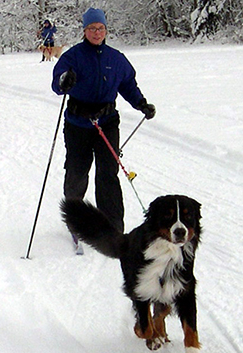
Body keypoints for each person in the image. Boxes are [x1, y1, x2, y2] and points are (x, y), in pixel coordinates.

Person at [51, 8, 156, 233]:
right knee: (77, 172)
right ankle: (75, 220)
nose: (97, 33)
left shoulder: (116, 58)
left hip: (107, 122)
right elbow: (57, 83)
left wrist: (141, 103)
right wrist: (64, 81)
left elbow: (128, 84)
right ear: (84, 30)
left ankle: (112, 227)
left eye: (100, 28)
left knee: (108, 173)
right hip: (78, 123)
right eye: (92, 28)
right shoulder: (73, 56)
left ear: (106, 30)